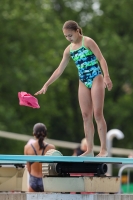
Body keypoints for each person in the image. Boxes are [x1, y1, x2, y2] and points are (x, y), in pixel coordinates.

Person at [35, 20, 113, 157]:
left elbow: (101, 59)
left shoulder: (87, 41)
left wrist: (106, 76)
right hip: (83, 81)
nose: (68, 38)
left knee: (98, 114)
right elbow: (59, 69)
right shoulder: (69, 49)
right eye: (66, 36)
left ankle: (103, 150)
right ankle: (89, 150)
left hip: (96, 78)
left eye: (70, 35)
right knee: (85, 116)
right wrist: (46, 84)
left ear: (77, 31)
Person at [24, 123, 55, 192]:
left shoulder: (27, 148)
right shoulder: (51, 147)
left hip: (33, 180)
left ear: (33, 134)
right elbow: (53, 168)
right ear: (45, 134)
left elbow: (28, 168)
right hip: (45, 180)